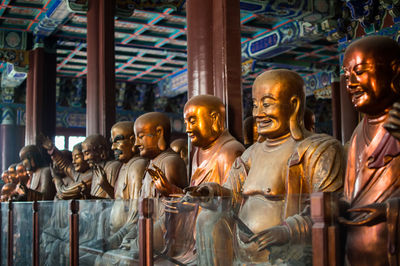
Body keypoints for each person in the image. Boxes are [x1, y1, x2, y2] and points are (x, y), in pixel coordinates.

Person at [184, 69, 344, 265]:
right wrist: (211, 192)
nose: (258, 114)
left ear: (293, 105)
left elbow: (332, 206)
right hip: (242, 247)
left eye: (266, 104)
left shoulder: (318, 149)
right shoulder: (250, 154)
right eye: (255, 104)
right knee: (208, 218)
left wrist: (288, 230)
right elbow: (231, 196)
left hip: (287, 253)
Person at [338, 35, 400, 266]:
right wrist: (334, 205)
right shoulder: (357, 134)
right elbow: (351, 196)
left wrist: (388, 210)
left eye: (360, 71)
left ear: (395, 72)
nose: (350, 83)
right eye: (346, 75)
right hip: (356, 252)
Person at [92, 121, 148, 265]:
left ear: (133, 140)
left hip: (128, 241)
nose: (113, 147)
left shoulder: (138, 165)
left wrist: (112, 241)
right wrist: (105, 186)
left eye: (117, 141)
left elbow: (137, 215)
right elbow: (122, 200)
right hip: (115, 237)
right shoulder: (124, 166)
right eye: (112, 142)